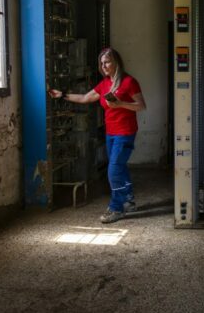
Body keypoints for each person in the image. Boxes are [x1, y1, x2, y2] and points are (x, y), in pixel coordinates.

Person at [48, 48, 146, 223]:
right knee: (120, 167)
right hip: (111, 132)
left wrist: (120, 104)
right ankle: (129, 200)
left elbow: (141, 106)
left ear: (116, 62)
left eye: (107, 62)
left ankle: (116, 208)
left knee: (114, 169)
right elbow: (85, 98)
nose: (104, 66)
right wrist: (62, 95)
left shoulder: (129, 82)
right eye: (101, 63)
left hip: (125, 132)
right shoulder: (105, 83)